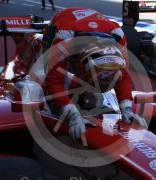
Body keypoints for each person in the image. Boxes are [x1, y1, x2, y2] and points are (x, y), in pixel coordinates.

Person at [42, 7, 147, 141]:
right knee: (45, 73)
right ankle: (55, 108)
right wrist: (72, 114)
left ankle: (80, 99)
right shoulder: (64, 37)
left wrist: (126, 109)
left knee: (90, 94)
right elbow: (54, 81)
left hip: (95, 28)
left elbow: (124, 75)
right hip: (63, 24)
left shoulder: (118, 35)